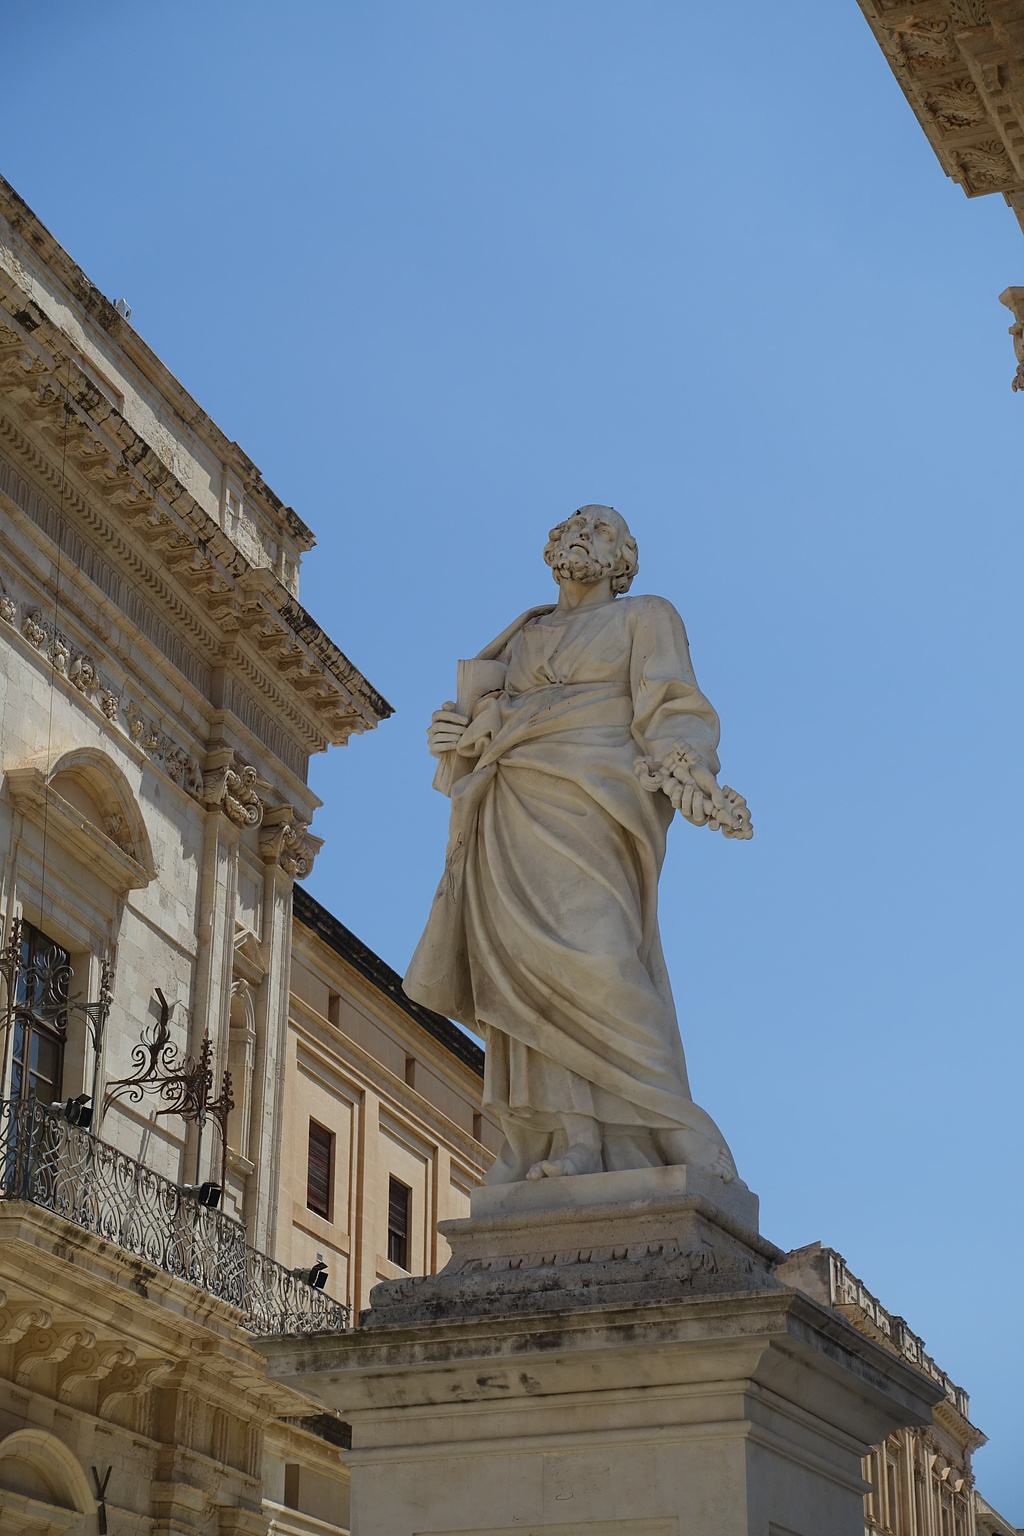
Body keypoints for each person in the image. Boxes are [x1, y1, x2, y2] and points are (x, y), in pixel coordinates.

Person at [404, 506, 751, 1186]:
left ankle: (677, 1126)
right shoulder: (522, 638)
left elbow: (674, 706)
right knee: (525, 972)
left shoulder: (645, 615)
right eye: (572, 526)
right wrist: (453, 741)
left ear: (625, 560)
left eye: (601, 530)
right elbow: (476, 730)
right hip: (511, 805)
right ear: (551, 547)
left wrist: (689, 772)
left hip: (597, 802)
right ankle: (576, 1137)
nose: (582, 535)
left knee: (602, 960)